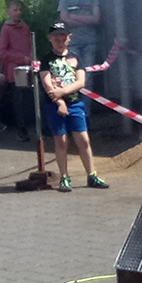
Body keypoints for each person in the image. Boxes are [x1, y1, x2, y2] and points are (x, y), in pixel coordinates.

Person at [40, 22, 108, 192]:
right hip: (54, 105)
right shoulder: (46, 60)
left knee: (83, 139)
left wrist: (63, 91)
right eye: (56, 36)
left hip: (76, 103)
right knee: (61, 140)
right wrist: (59, 101)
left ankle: (91, 174)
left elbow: (80, 81)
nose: (59, 39)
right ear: (50, 38)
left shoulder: (77, 57)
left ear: (69, 37)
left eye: (63, 36)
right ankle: (64, 176)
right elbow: (47, 84)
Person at [0, 0, 34, 140]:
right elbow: (2, 51)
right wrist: (22, 58)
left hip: (28, 67)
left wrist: (31, 56)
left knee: (29, 97)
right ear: (8, 12)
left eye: (20, 10)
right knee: (18, 98)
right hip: (15, 70)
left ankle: (34, 125)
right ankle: (21, 128)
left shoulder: (24, 27)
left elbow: (29, 45)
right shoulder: (6, 29)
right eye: (15, 10)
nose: (18, 13)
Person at [58, 0, 101, 69]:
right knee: (73, 74)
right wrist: (87, 19)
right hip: (72, 42)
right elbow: (64, 21)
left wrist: (72, 16)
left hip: (90, 41)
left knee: (89, 75)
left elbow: (96, 19)